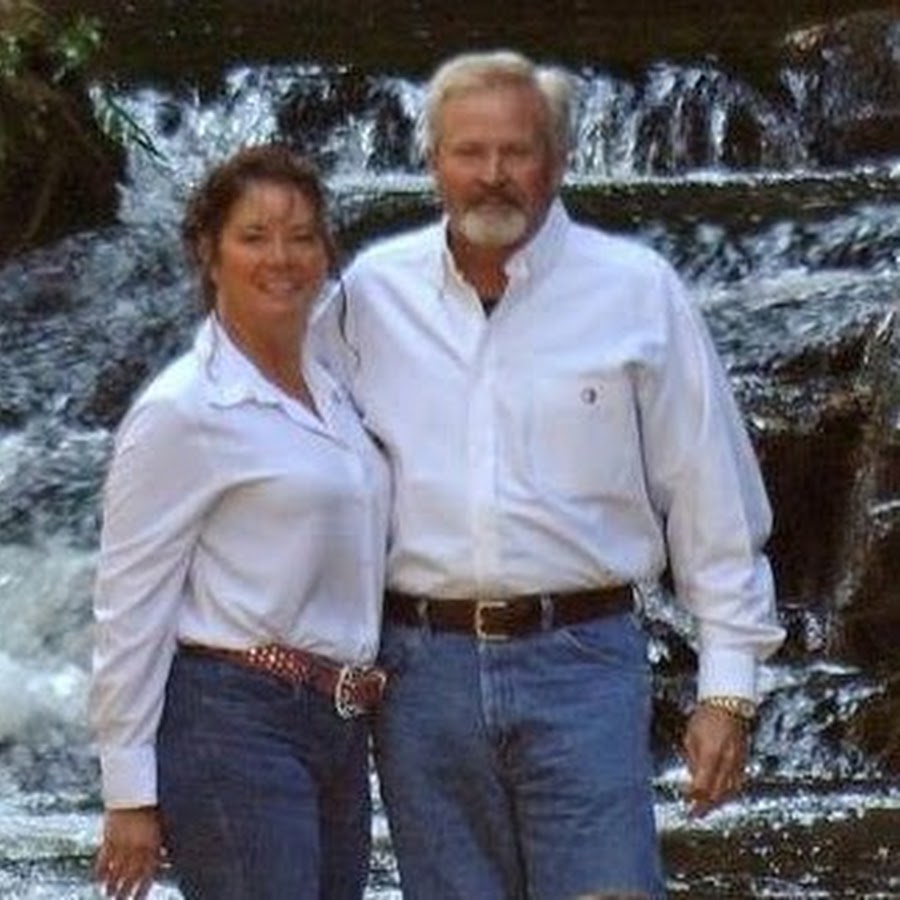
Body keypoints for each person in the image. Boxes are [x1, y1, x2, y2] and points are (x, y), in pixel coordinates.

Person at [326, 50, 786, 899]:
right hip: (420, 676)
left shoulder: (637, 291)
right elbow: (289, 448)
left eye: (517, 150)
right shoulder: (369, 295)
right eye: (469, 151)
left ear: (561, 157)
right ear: (433, 162)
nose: (492, 174)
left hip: (583, 661)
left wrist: (728, 690)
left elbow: (710, 496)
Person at [89, 144, 390, 900]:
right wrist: (129, 792)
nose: (280, 258)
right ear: (209, 252)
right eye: (254, 236)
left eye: (301, 236)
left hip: (340, 725)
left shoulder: (337, 387)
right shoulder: (183, 410)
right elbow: (130, 603)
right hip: (232, 724)